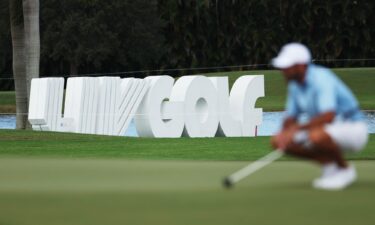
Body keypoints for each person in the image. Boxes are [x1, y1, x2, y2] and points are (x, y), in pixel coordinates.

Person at [271, 43, 368, 190]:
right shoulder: (294, 85)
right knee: (278, 140)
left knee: (316, 136)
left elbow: (328, 116)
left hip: (352, 128)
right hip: (328, 129)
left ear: (301, 65)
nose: (283, 71)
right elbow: (291, 117)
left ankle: (344, 169)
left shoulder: (321, 79)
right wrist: (285, 132)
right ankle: (330, 167)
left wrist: (298, 128)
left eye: (287, 67)